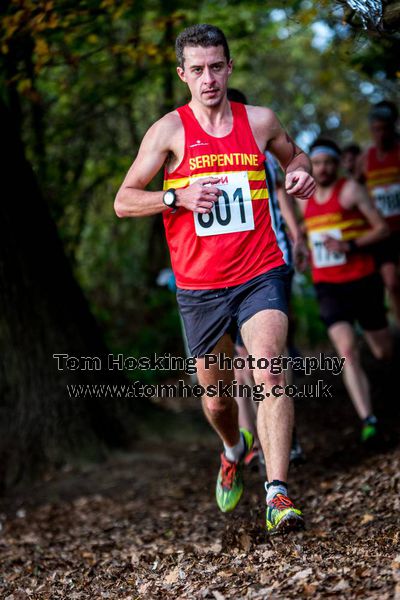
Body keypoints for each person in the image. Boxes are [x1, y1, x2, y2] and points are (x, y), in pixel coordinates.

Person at [114, 24, 316, 535]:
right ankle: (232, 448)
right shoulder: (168, 132)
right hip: (200, 287)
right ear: (183, 74)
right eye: (197, 70)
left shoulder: (261, 120)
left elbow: (296, 156)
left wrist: (301, 172)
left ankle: (277, 493)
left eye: (216, 67)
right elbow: (122, 200)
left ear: (229, 67)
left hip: (259, 271)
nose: (208, 78)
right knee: (217, 400)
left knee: (269, 369)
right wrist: (172, 197)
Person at [226, 88, 307, 470]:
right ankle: (254, 437)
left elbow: (281, 192)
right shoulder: (206, 154)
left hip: (273, 260)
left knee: (272, 352)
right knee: (242, 356)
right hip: (226, 270)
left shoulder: (262, 145)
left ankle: (281, 433)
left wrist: (297, 236)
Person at [300, 138, 392, 442]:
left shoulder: (350, 190)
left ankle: (388, 389)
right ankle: (369, 419)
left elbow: (382, 228)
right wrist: (300, 244)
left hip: (363, 279)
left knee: (383, 351)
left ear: (337, 164)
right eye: (318, 163)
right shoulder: (304, 198)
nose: (323, 168)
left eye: (329, 162)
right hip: (328, 286)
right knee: (347, 350)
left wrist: (349, 245)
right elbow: (301, 226)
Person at [357, 101, 400, 324]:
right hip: (383, 233)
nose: (381, 134)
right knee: (391, 283)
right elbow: (356, 189)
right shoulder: (365, 159)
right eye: (376, 129)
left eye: (385, 128)